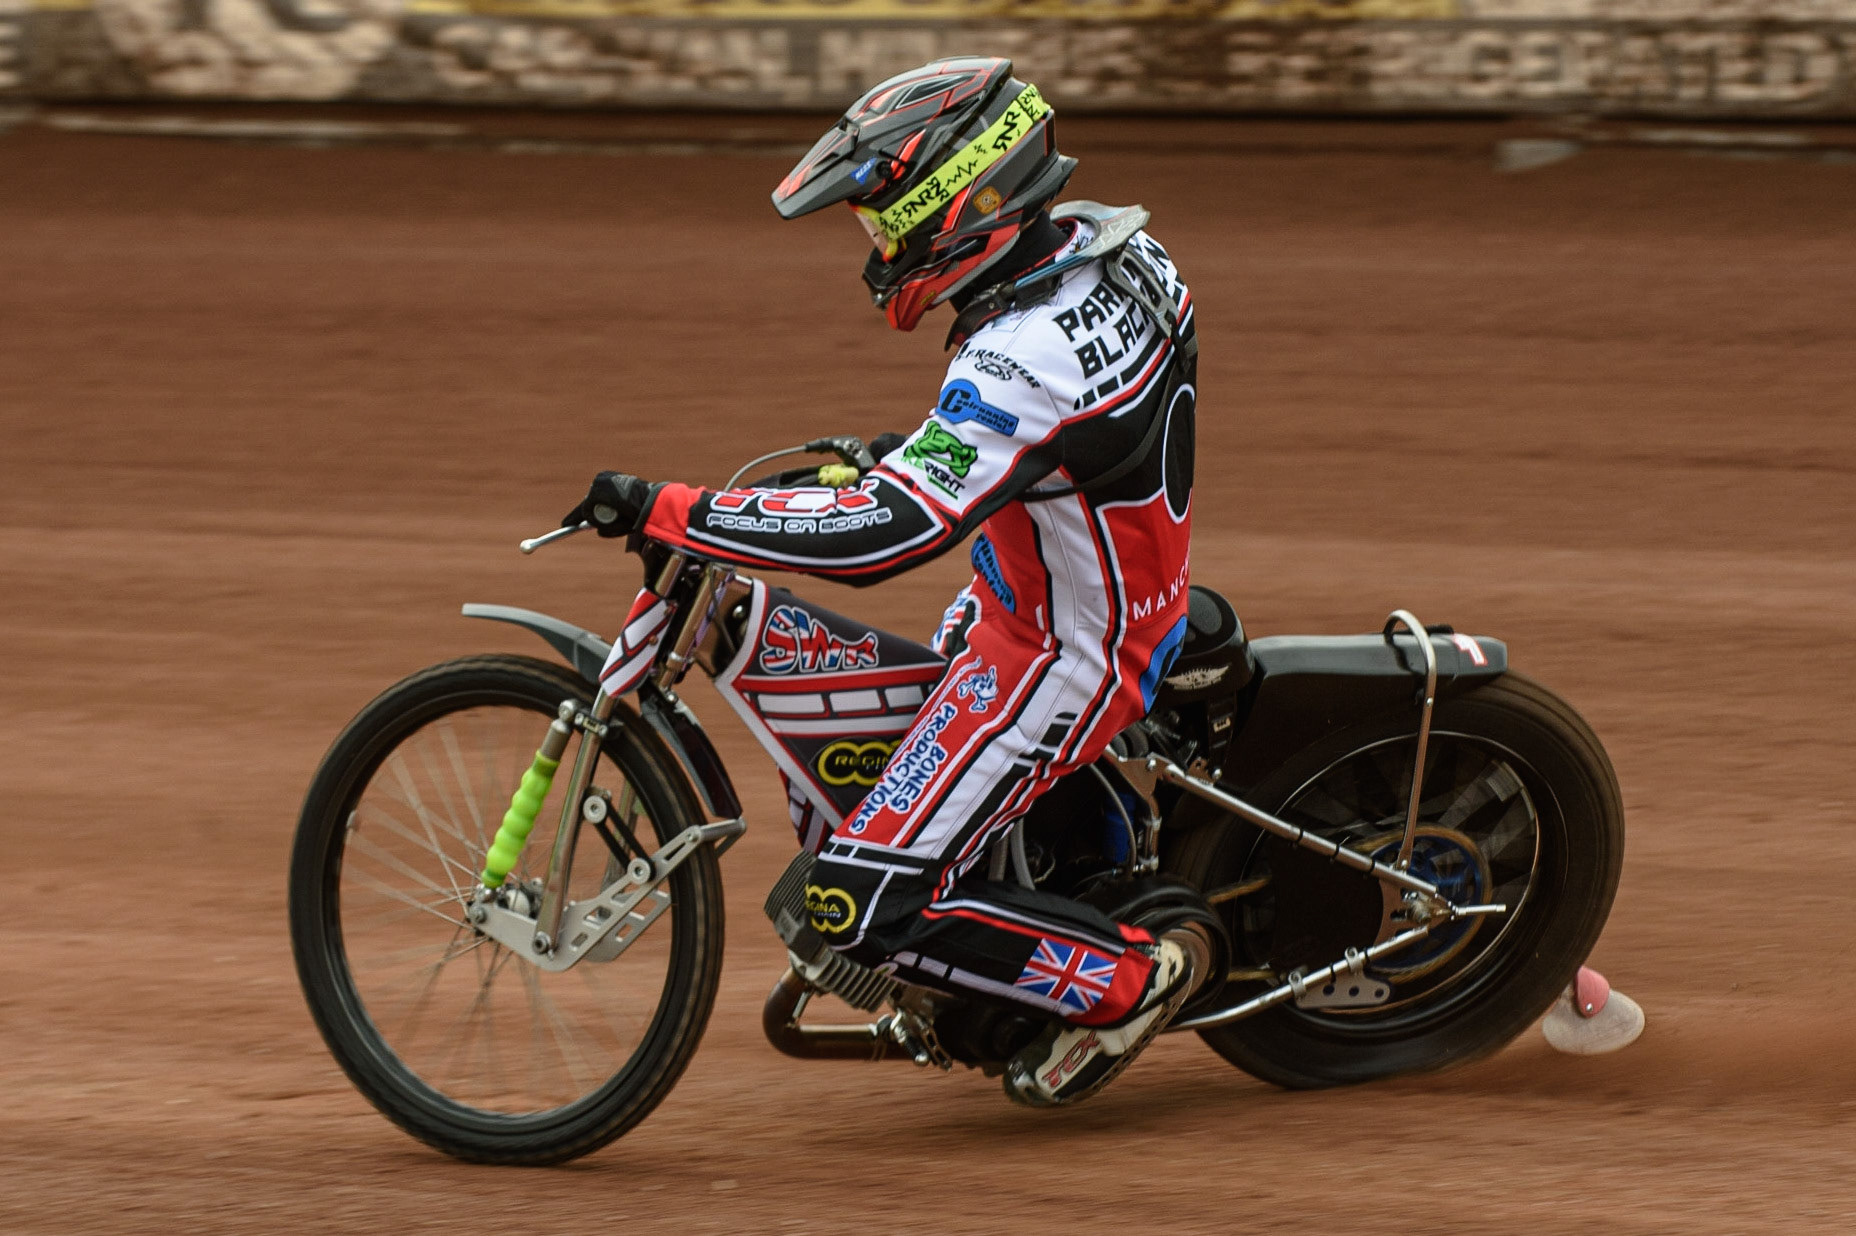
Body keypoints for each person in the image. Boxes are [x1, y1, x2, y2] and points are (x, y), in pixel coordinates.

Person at [563, 56, 1204, 1106]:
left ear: (962, 201)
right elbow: (1069, 437)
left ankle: (1132, 978)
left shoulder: (1016, 356)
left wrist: (675, 511)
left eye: (884, 224)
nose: (880, 253)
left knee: (853, 907)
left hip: (1061, 653)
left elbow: (879, 538)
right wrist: (934, 453)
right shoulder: (1114, 250)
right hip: (1075, 582)